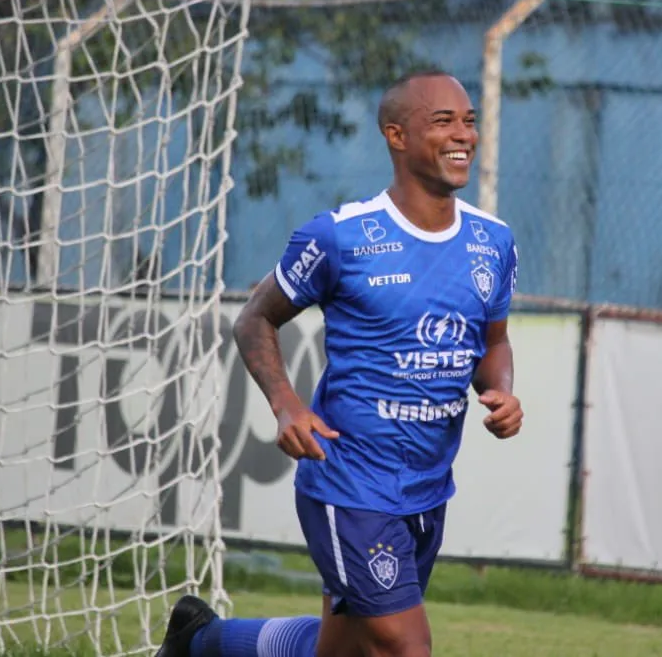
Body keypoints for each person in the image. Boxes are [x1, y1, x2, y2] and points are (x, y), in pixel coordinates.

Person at [154, 70, 523, 657]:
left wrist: (501, 389)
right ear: (396, 136)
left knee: (344, 650)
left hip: (427, 488)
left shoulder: (492, 241)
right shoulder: (341, 237)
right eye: (443, 121)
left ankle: (201, 641)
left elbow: (493, 342)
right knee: (406, 647)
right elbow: (255, 318)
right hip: (349, 483)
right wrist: (287, 405)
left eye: (470, 121)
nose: (464, 135)